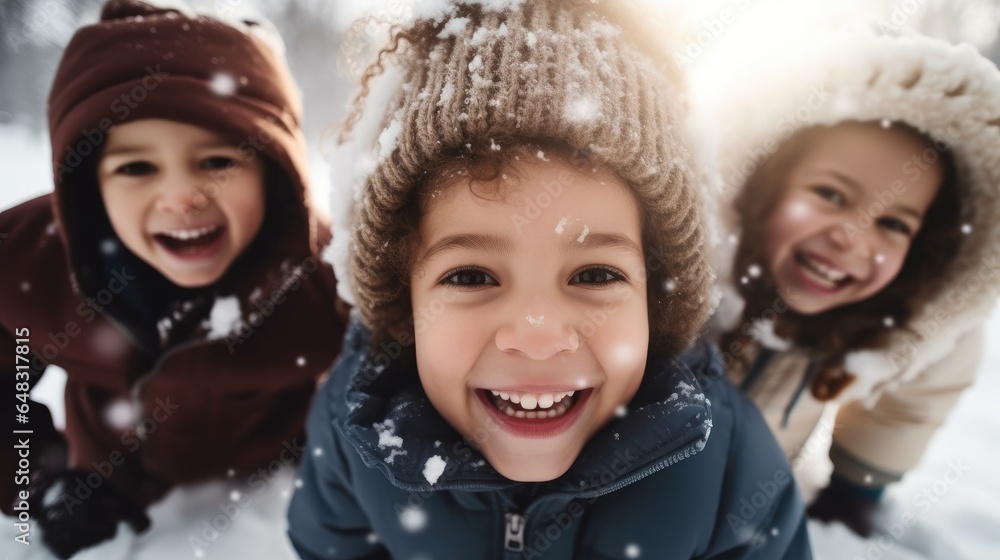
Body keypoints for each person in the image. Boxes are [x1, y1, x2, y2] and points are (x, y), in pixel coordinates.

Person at [286, 1, 811, 558]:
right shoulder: (356, 430)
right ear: (404, 298)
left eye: (594, 274)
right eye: (470, 275)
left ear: (655, 299)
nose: (538, 337)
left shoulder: (729, 465)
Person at [0, 0, 346, 556]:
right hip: (112, 476)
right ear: (89, 186)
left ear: (276, 176)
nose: (183, 197)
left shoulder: (327, 274)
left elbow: (390, 377)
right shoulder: (31, 265)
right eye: (136, 167)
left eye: (217, 162)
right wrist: (41, 480)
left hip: (270, 477)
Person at [701, 30, 1000, 537]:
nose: (855, 240)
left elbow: (912, 405)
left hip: (757, 502)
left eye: (894, 224)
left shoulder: (905, 326)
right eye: (831, 194)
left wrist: (857, 487)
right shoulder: (682, 287)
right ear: (760, 187)